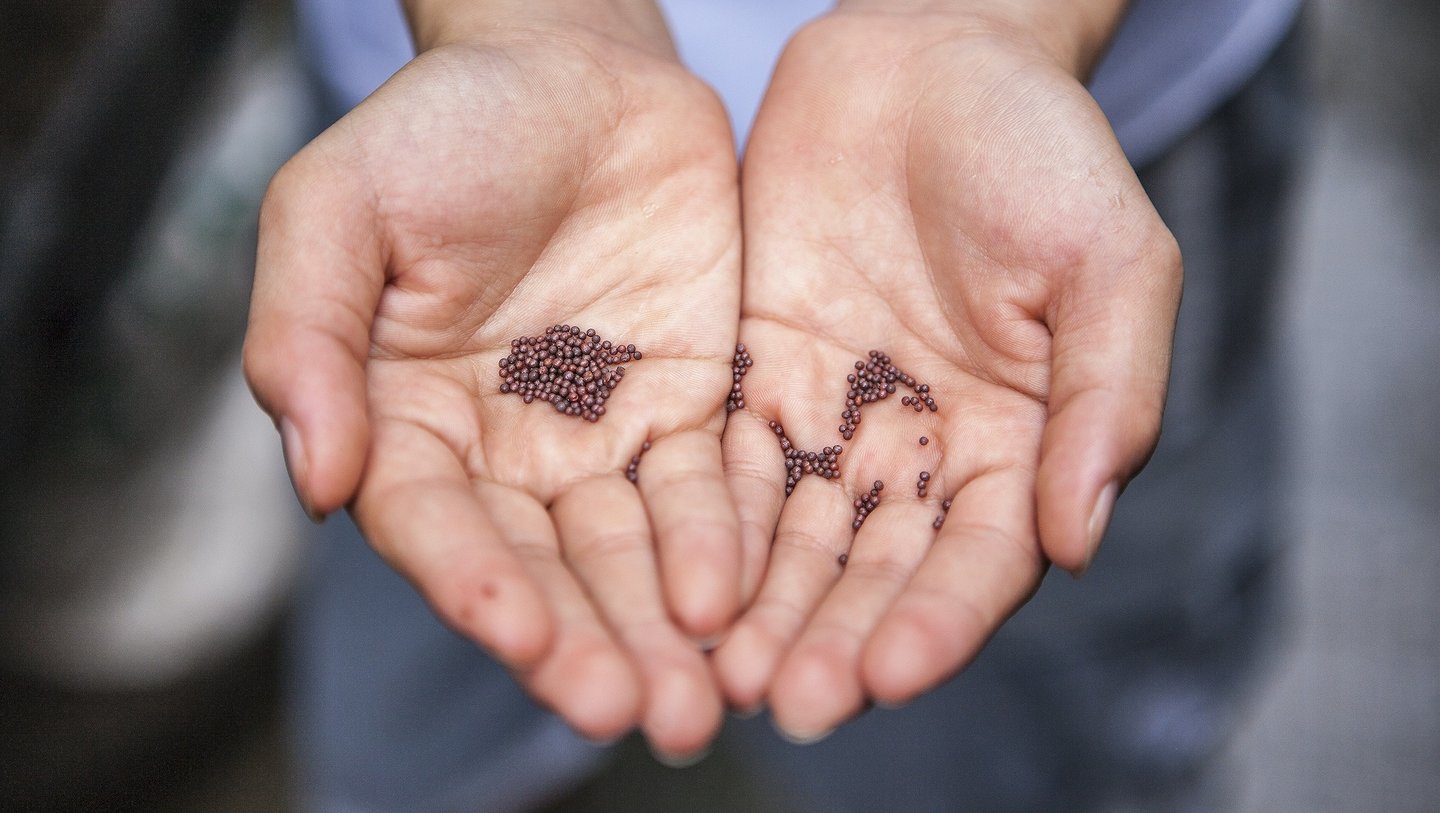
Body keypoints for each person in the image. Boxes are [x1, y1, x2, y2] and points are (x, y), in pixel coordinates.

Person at [244, 0, 1305, 809]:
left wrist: (984, 20)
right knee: (441, 651)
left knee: (1027, 734)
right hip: (482, 182)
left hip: (1049, 149)